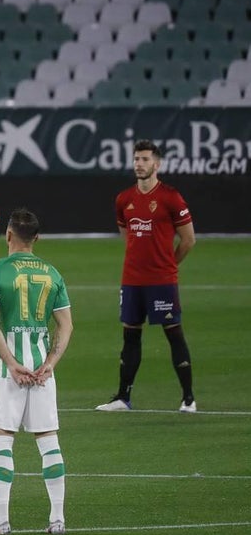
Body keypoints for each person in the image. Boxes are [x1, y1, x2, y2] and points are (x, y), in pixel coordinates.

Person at [0, 208, 72, 535]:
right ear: (37, 239)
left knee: (2, 438)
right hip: (43, 369)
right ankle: (57, 520)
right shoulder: (52, 273)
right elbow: (66, 325)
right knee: (48, 440)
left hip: (7, 370)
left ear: (8, 236)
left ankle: (1, 521)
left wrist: (12, 363)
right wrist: (50, 365)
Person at [97, 139, 197, 413]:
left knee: (174, 334)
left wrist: (168, 265)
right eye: (136, 159)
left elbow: (188, 240)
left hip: (162, 281)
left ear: (157, 163)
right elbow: (127, 237)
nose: (139, 164)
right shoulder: (124, 199)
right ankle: (122, 398)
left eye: (144, 159)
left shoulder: (170, 197)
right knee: (130, 336)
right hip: (132, 281)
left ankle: (188, 399)